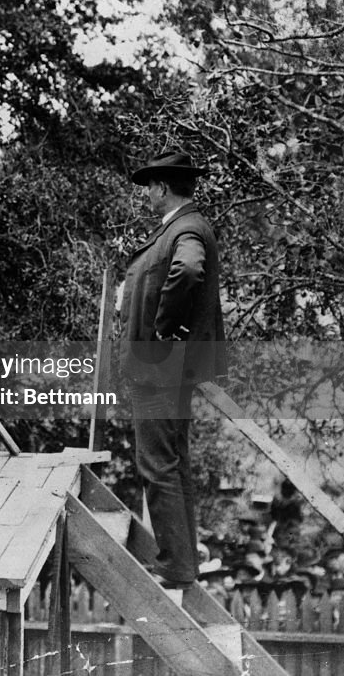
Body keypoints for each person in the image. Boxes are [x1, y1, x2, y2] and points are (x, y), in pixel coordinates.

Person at [119, 151, 226, 589]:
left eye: (150, 187)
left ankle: (175, 567)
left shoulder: (185, 229)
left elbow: (188, 270)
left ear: (162, 188)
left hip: (162, 364)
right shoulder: (181, 228)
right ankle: (181, 563)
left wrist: (164, 330)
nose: (147, 194)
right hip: (169, 364)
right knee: (171, 462)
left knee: (157, 463)